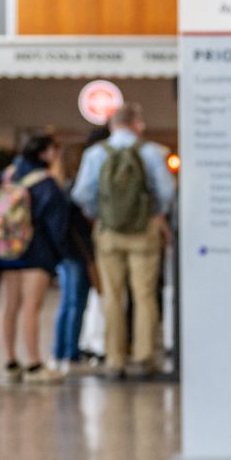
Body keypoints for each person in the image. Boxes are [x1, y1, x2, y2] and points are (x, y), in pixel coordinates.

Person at [73, 103, 175, 378]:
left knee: (113, 297)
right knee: (144, 296)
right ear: (137, 124)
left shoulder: (96, 154)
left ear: (112, 124)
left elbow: (82, 193)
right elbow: (166, 191)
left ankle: (115, 360)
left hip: (108, 233)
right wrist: (154, 213)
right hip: (144, 232)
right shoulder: (152, 152)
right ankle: (143, 357)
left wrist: (100, 214)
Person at [0, 134, 78, 383]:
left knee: (9, 306)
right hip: (36, 251)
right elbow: (56, 223)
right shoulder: (46, 183)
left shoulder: (10, 175)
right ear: (45, 153)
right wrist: (61, 252)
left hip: (7, 250)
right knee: (31, 306)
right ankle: (34, 363)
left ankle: (10, 362)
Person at [55, 126, 110, 369]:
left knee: (69, 302)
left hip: (66, 252)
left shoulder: (62, 188)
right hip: (79, 252)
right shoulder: (76, 193)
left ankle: (62, 349)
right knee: (77, 302)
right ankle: (70, 350)